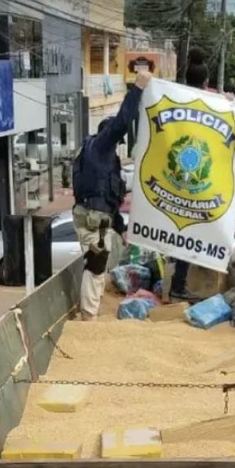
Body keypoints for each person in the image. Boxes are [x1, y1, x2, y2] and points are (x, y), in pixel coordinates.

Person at [72, 68, 152, 319]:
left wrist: (121, 229)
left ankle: (89, 313)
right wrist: (137, 89)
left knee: (97, 266)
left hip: (99, 219)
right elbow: (121, 123)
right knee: (96, 268)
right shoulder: (100, 146)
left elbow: (110, 200)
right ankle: (89, 316)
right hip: (92, 219)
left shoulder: (100, 157)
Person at [168, 49, 214, 301]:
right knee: (194, 233)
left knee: (179, 231)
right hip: (202, 181)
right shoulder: (214, 103)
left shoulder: (175, 97)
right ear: (206, 82)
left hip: (176, 178)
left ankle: (176, 283)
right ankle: (181, 284)